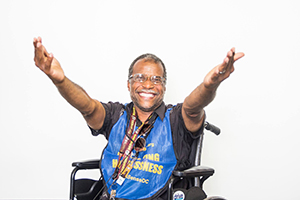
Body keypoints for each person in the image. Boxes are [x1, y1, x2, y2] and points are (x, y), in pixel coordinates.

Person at [33, 37, 244, 200]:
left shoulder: (176, 119)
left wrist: (210, 84)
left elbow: (193, 106)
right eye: (140, 78)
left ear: (164, 87)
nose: (148, 84)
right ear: (129, 84)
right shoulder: (117, 115)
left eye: (156, 79)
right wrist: (59, 79)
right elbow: (87, 106)